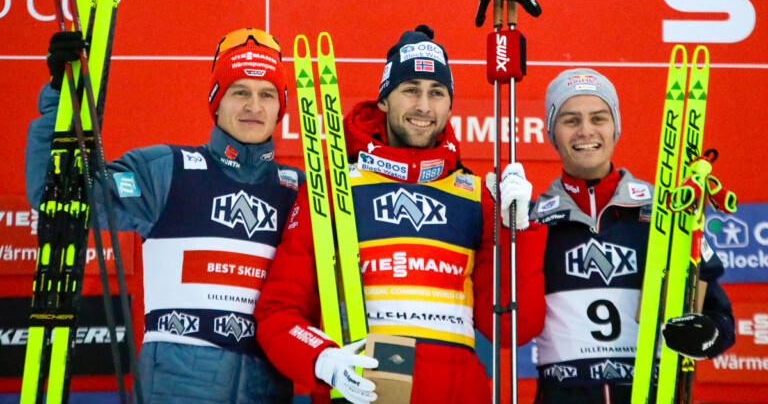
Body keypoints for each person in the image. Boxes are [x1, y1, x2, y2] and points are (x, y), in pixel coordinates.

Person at [254, 25, 548, 403]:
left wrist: (516, 229)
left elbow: (513, 327)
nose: (424, 106)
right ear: (384, 100)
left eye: (437, 92)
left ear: (449, 105)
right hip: (364, 392)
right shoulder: (334, 188)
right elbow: (278, 312)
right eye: (410, 90)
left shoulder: (479, 198)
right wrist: (321, 358)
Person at [25, 28, 304, 403]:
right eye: (240, 92)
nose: (254, 106)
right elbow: (62, 194)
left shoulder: (301, 192)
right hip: (174, 392)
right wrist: (61, 102)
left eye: (266, 94)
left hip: (267, 393)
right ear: (216, 101)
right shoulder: (166, 171)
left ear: (281, 107)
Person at [529, 68, 736, 404]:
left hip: (650, 393)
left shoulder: (665, 214)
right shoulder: (533, 223)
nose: (586, 131)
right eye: (570, 120)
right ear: (552, 131)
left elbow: (718, 315)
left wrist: (705, 334)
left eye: (599, 118)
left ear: (615, 126)